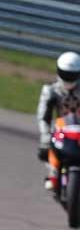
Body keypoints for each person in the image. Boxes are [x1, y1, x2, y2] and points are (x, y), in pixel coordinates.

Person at [38, 51, 80, 190]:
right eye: (65, 74)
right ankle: (53, 173)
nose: (68, 78)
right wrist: (45, 135)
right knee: (46, 148)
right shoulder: (50, 90)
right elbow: (43, 116)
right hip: (61, 129)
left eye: (71, 75)